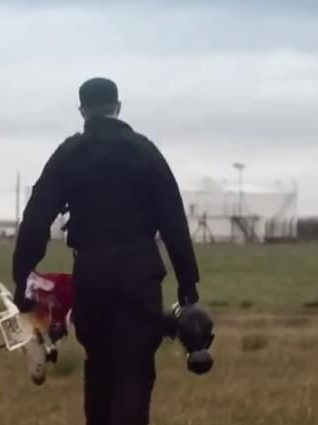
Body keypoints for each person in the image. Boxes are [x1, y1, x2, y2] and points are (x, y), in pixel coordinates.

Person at [12, 77, 200, 425]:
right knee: (134, 370)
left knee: (98, 366)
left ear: (82, 110)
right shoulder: (144, 151)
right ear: (118, 107)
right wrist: (188, 284)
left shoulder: (69, 154)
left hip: (92, 274)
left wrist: (22, 277)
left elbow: (36, 218)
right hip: (139, 274)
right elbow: (174, 220)